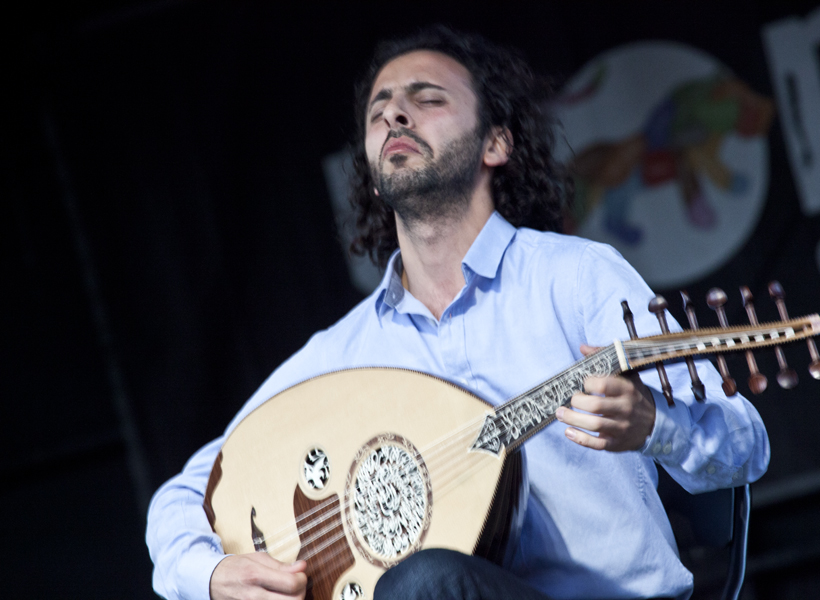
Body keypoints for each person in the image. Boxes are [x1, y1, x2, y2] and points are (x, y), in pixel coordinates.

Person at [146, 26, 770, 600]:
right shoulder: (345, 355)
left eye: (427, 99)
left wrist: (653, 425)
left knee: (424, 582)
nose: (395, 112)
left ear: (496, 141)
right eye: (380, 108)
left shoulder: (576, 278)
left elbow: (746, 443)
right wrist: (208, 574)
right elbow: (188, 491)